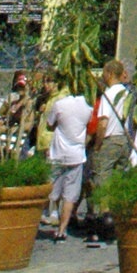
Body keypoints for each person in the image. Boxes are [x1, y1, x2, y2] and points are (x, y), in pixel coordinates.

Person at [42, 82, 94, 243]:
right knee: (70, 195)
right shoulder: (88, 108)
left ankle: (52, 213)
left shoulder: (60, 105)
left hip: (58, 152)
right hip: (76, 155)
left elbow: (50, 124)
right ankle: (62, 230)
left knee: (51, 187)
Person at [86, 61, 136, 222]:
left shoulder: (109, 94)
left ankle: (103, 216)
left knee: (101, 179)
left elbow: (103, 122)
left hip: (110, 139)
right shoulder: (127, 93)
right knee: (117, 178)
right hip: (124, 140)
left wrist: (98, 144)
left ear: (108, 74)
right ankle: (117, 214)